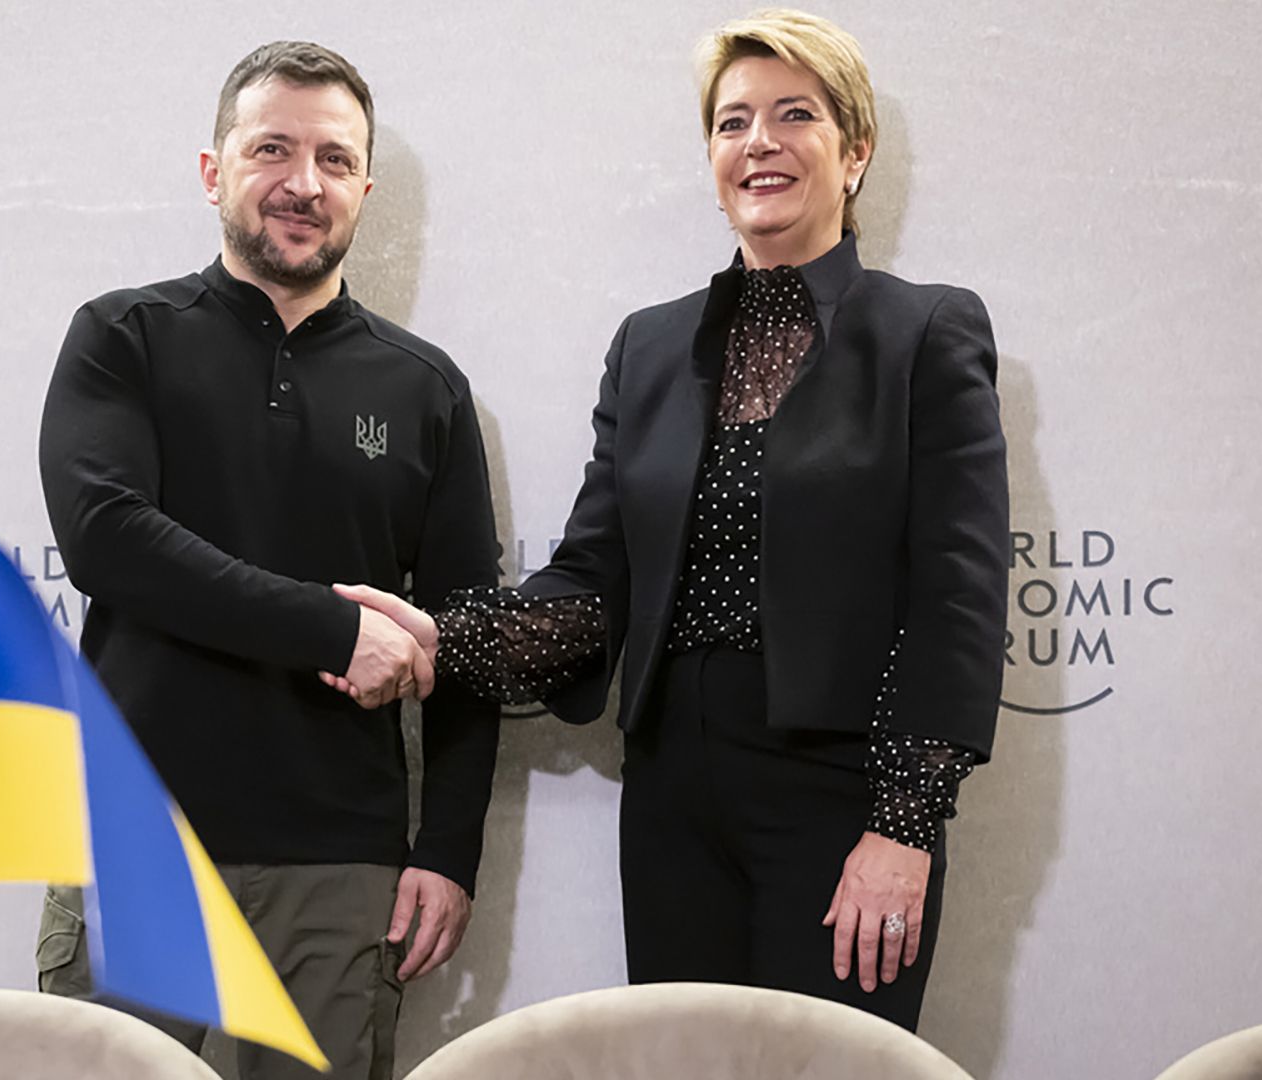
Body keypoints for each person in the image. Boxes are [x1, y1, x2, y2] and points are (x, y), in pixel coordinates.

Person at [329, 9, 1006, 1030]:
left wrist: (904, 827)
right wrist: (448, 638)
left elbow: (958, 597)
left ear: (854, 150)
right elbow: (595, 586)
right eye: (733, 122)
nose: (760, 143)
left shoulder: (926, 333)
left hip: (840, 795)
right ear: (711, 152)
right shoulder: (648, 346)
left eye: (795, 115)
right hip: (672, 798)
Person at [36, 40, 503, 1079]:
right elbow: (108, 540)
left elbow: (462, 640)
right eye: (272, 150)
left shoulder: (425, 387)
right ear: (215, 171)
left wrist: (449, 850)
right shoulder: (124, 336)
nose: (304, 183)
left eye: (335, 160)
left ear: (366, 188)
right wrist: (336, 629)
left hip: (338, 867)